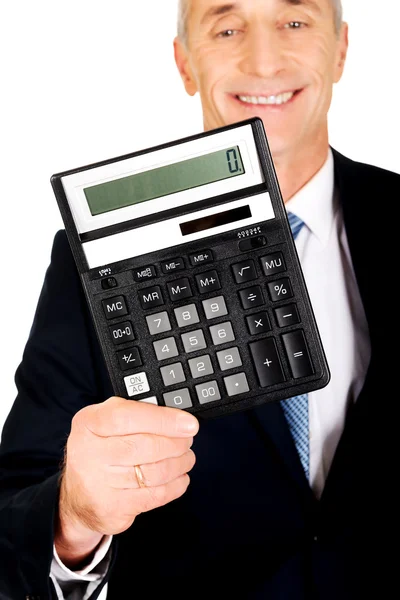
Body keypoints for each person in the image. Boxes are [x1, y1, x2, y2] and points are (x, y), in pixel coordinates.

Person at [0, 0, 397, 598]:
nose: (263, 62)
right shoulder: (96, 260)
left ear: (340, 49)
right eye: (227, 27)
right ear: (185, 63)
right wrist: (74, 517)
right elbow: (13, 511)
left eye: (295, 22)